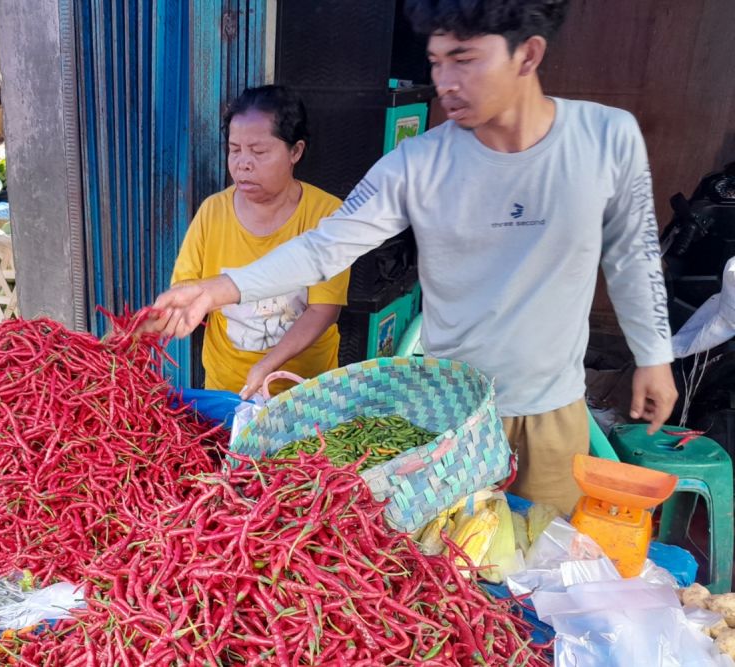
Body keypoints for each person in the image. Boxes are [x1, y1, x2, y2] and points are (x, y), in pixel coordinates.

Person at [149, 0, 679, 514]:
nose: (445, 82)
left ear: (528, 54)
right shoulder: (417, 164)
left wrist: (654, 356)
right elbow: (324, 246)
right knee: (447, 560)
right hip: (443, 415)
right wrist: (217, 289)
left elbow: (633, 254)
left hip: (549, 410)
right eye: (436, 61)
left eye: (464, 59)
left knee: (543, 548)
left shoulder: (605, 138)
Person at [173, 85, 350, 398]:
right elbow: (187, 289)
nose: (243, 163)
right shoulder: (213, 212)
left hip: (306, 392)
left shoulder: (325, 215)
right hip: (228, 389)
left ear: (295, 151)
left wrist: (268, 365)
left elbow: (323, 310)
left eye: (258, 152)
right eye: (234, 150)